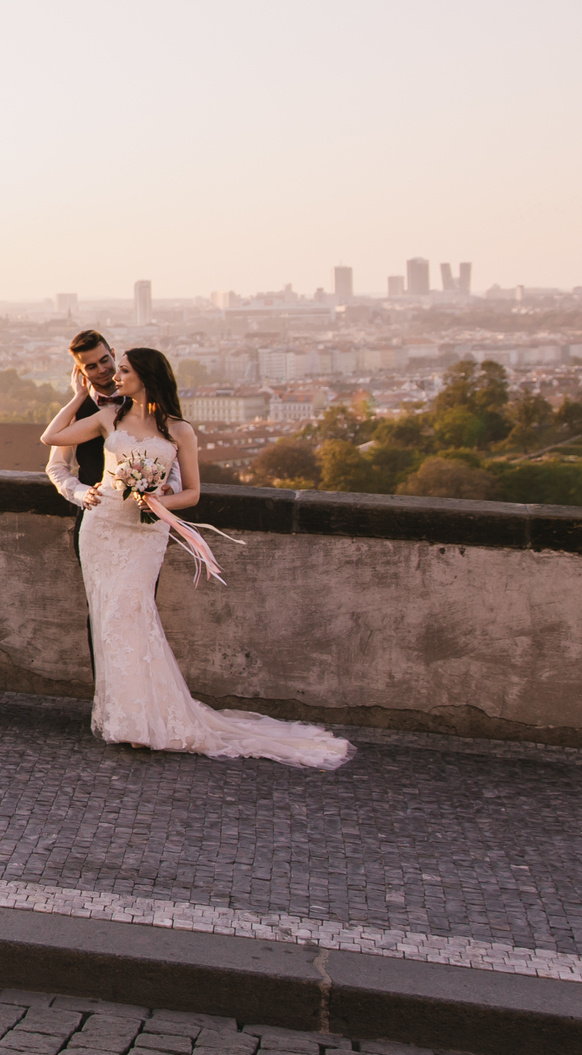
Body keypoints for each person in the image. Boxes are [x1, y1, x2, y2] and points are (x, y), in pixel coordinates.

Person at [40, 347, 353, 770]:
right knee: (110, 619)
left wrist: (156, 499)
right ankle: (129, 720)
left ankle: (147, 718)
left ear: (146, 377)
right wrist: (77, 396)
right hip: (103, 528)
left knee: (132, 614)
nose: (116, 376)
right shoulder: (108, 417)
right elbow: (51, 439)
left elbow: (193, 492)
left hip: (145, 533)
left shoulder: (179, 430)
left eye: (125, 370)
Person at [47, 330, 121, 488]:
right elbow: (56, 466)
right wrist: (81, 493)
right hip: (93, 509)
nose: (102, 369)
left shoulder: (140, 402)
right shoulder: (74, 412)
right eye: (92, 366)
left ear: (113, 354)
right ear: (80, 372)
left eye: (104, 360)